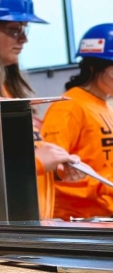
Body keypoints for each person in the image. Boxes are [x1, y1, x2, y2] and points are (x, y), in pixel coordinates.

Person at [0, 0, 82, 219]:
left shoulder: (11, 90)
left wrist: (56, 164)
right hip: (1, 228)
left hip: (32, 225)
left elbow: (21, 157)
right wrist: (36, 163)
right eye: (15, 30)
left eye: (24, 31)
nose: (24, 39)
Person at [42, 23, 113, 220]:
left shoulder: (104, 107)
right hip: (74, 220)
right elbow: (52, 166)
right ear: (93, 67)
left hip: (102, 216)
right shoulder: (68, 107)